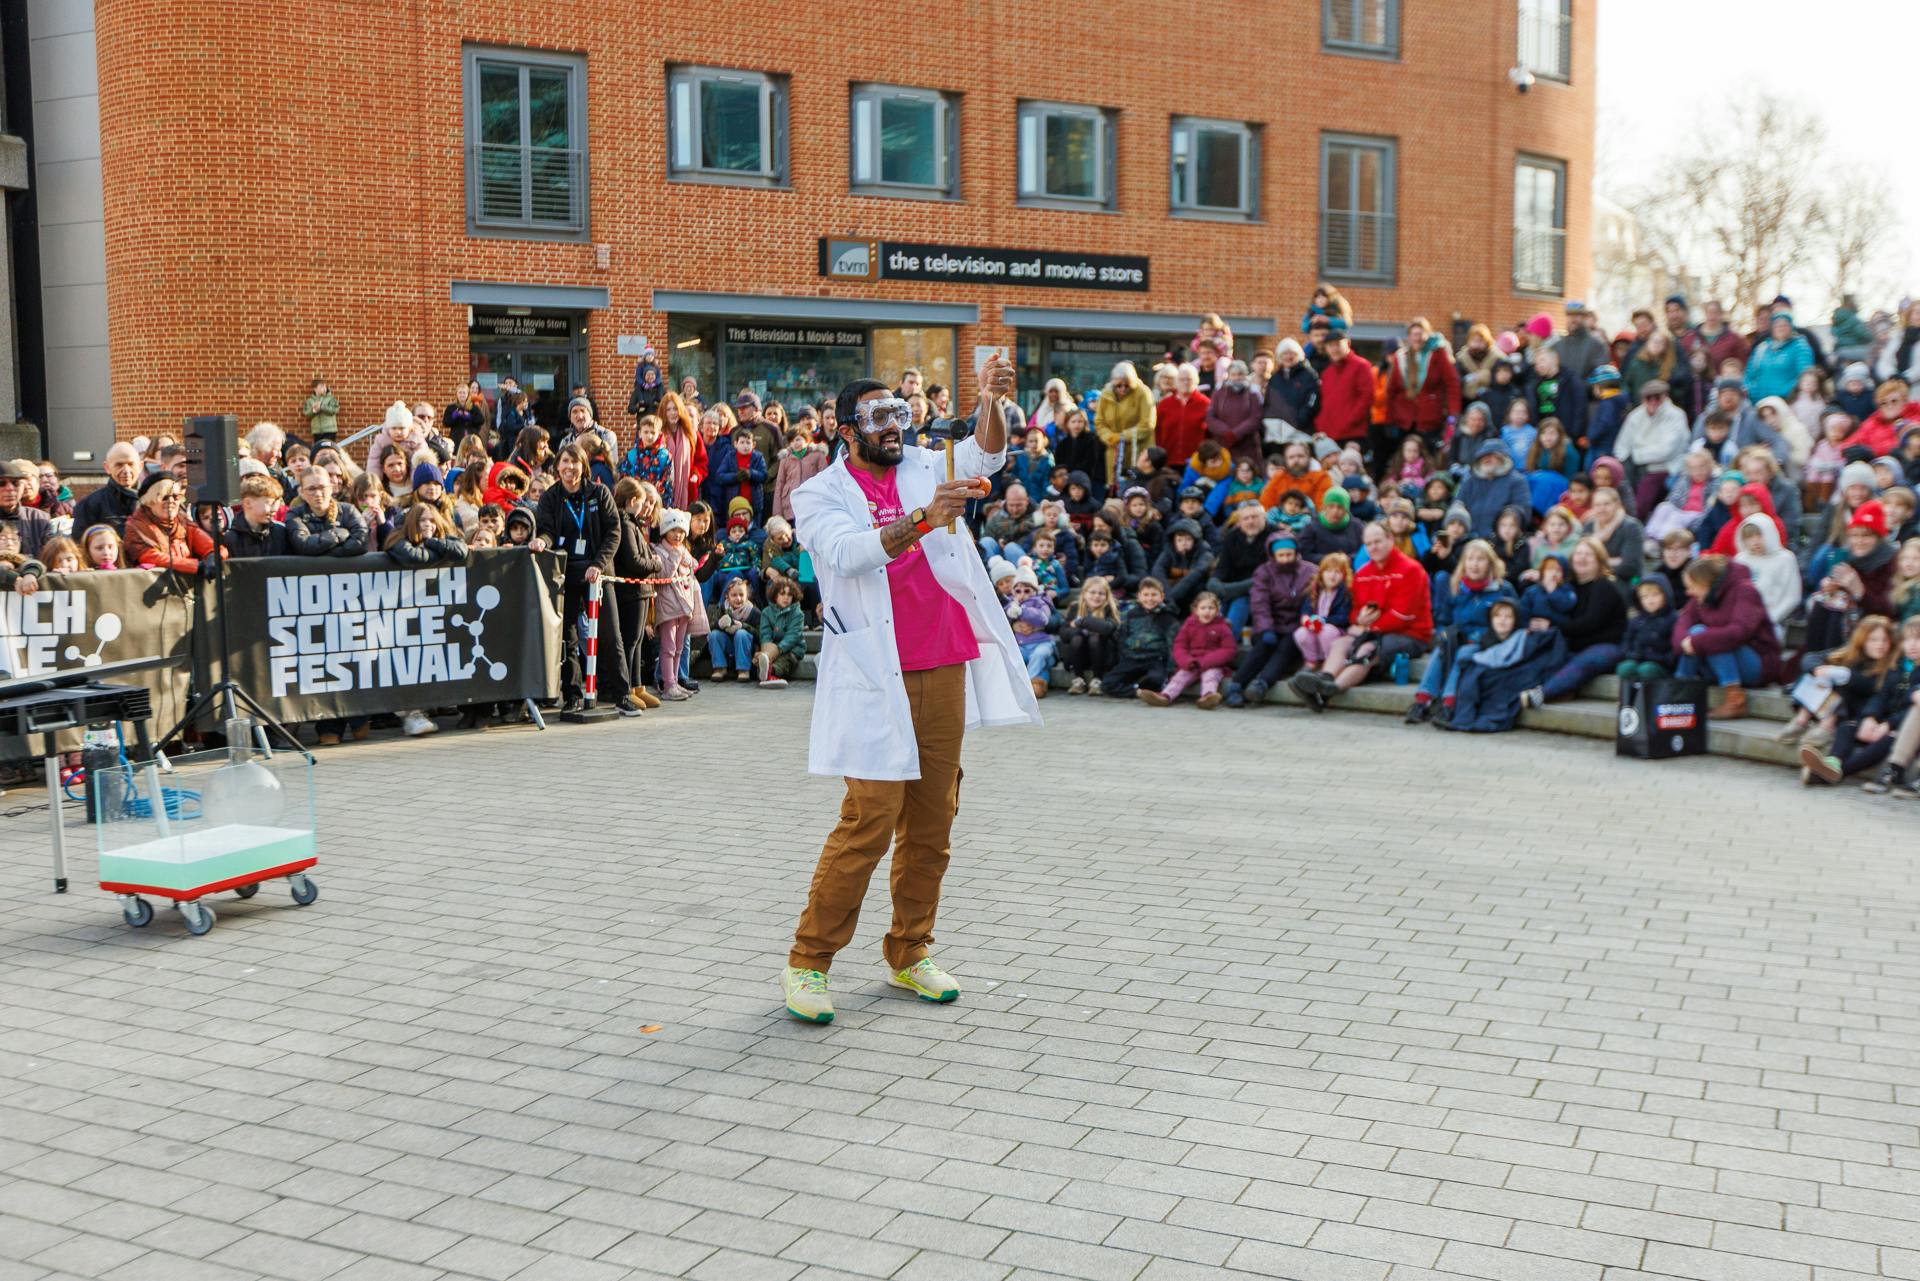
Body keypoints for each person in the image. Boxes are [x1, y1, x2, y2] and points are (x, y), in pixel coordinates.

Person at [780, 353, 1039, 1025]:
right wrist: (924, 520)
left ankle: (909, 951)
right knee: (869, 819)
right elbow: (845, 553)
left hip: (945, 660)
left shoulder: (926, 464)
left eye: (900, 412)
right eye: (878, 417)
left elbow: (984, 459)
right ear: (846, 429)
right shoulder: (818, 493)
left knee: (933, 821)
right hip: (876, 674)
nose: (894, 426)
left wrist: (988, 400)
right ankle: (809, 961)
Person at [1290, 522, 1431, 709]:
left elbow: (1403, 615)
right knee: (1341, 643)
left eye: (1378, 541)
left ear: (1390, 539)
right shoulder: (1363, 573)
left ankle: (1331, 689)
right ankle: (1325, 677)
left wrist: (1368, 626)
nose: (1373, 547)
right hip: (1371, 630)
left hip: (1410, 634)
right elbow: (1354, 610)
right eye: (1369, 544)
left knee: (1367, 648)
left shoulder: (1411, 570)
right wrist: (1359, 619)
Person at [533, 442, 625, 715]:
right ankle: (571, 693)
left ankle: (621, 693)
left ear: (583, 465)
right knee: (568, 636)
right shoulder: (551, 497)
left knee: (610, 634)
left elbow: (613, 532)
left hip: (597, 574)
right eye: (564, 462)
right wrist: (541, 540)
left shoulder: (599, 493)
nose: (569, 468)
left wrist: (598, 564)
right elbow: (547, 530)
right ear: (557, 467)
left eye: (574, 462)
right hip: (566, 573)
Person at [1802, 617, 1920, 793]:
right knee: (1847, 727)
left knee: (1889, 741)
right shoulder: (1897, 666)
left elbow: (1911, 710)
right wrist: (1869, 718)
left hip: (1899, 729)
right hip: (1880, 720)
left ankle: (1835, 772)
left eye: (1918, 639)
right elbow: (1880, 695)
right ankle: (1833, 761)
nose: (1912, 645)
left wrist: (1889, 725)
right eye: (1908, 639)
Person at [1405, 539, 1515, 725]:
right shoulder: (1456, 587)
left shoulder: (1502, 589)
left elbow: (1511, 620)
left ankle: (1449, 703)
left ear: (1490, 563)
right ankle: (1422, 700)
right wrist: (1443, 634)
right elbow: (1443, 620)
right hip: (1458, 636)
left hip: (1485, 641)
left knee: (1462, 653)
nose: (1475, 564)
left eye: (1480, 559)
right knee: (1443, 647)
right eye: (1470, 559)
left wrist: (1480, 638)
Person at [1667, 553, 1781, 720]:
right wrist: (1684, 643)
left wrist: (1697, 641)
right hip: (1722, 663)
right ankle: (1680, 693)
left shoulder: (1745, 590)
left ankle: (1735, 700)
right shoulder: (1701, 597)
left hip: (1757, 663)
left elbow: (1739, 632)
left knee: (1704, 635)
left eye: (1692, 586)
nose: (1688, 592)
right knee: (1697, 633)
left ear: (1706, 583)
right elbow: (1682, 624)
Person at [1530, 538, 1629, 703]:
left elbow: (1589, 623)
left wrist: (1553, 625)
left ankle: (1543, 693)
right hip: (1577, 644)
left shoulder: (1604, 586)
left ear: (1599, 560)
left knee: (1584, 661)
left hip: (1608, 645)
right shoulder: (1569, 587)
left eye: (1588, 555)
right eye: (1578, 554)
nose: (1582, 558)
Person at [1226, 533, 1314, 706]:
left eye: (1289, 554)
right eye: (1281, 555)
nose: (1286, 559)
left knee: (1285, 648)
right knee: (1263, 647)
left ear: (1296, 553)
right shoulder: (1264, 572)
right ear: (1273, 556)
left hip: (1295, 625)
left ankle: (1262, 683)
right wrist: (1266, 628)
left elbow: (1312, 601)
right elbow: (1260, 603)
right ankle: (1236, 686)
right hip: (1270, 623)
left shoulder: (1310, 571)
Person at [608, 477, 663, 715]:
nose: (644, 508)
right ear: (632, 501)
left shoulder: (632, 522)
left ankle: (638, 684)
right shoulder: (625, 524)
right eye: (642, 502)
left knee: (638, 640)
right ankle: (628, 686)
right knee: (630, 639)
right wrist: (656, 565)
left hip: (640, 590)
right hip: (631, 591)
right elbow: (633, 560)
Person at [1140, 591, 1234, 708]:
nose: (1207, 611)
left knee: (1211, 677)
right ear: (1195, 610)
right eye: (1203, 608)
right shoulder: (1189, 625)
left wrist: (1206, 662)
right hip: (1192, 663)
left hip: (1212, 664)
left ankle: (1208, 697)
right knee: (1179, 678)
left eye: (1211, 608)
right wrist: (1186, 661)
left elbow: (1228, 650)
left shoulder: (1222, 627)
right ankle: (1165, 696)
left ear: (1217, 610)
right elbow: (1180, 646)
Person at [1614, 379, 1691, 516]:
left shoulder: (1676, 415)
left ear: (1665, 396)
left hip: (1665, 467)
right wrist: (1626, 460)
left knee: (1640, 505)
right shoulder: (1635, 416)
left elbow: (1667, 450)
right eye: (1649, 398)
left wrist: (1637, 455)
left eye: (1657, 397)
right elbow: (1621, 446)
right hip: (1634, 467)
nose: (1653, 401)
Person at [123, 477, 220, 575]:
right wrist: (196, 566)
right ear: (149, 501)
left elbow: (213, 547)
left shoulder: (184, 522)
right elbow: (152, 558)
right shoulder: (135, 527)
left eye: (175, 497)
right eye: (164, 497)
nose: (171, 501)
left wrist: (213, 557)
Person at [1102, 575, 1179, 699]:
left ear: (1162, 597)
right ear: (1139, 596)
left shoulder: (1168, 617)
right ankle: (1138, 691)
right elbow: (1122, 638)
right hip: (1132, 658)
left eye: (1154, 595)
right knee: (1107, 684)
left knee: (1156, 679)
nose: (1150, 599)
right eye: (1146, 595)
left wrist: (1170, 669)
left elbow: (1172, 645)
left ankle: (1146, 687)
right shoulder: (1131, 614)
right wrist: (1123, 658)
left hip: (1155, 659)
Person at [1095, 362, 1156, 486]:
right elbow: (1099, 421)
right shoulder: (1105, 395)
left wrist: (1123, 436)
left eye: (1127, 385)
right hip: (1114, 451)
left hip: (1138, 450)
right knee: (1115, 489)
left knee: (1137, 489)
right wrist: (1109, 436)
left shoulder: (1143, 393)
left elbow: (1148, 423)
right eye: (1119, 385)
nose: (1122, 389)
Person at [1457, 440, 1531, 539]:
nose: (1487, 458)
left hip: (1501, 540)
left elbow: (1523, 509)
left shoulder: (1517, 480)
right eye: (1483, 455)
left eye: (1492, 455)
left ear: (1503, 458)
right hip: (1470, 538)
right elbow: (1458, 505)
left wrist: (1508, 519)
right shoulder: (1470, 480)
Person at [1060, 574, 1121, 695]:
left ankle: (1097, 679)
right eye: (1092, 592)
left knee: (1095, 638)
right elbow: (1064, 633)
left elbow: (1107, 628)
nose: (1096, 596)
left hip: (1103, 656)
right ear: (1084, 593)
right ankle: (1078, 679)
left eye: (1101, 593)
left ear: (1107, 596)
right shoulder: (1075, 608)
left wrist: (1082, 622)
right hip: (1080, 656)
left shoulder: (1109, 609)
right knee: (1076, 638)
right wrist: (1081, 631)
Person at [1315, 327, 1376, 446]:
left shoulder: (1361, 366)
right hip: (1329, 435)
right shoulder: (1327, 373)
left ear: (1348, 343)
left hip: (1353, 434)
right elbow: (1325, 402)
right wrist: (1320, 425)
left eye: (1338, 344)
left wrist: (1350, 421)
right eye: (1330, 345)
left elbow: (1366, 398)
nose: (1334, 349)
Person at [1616, 576, 1679, 681]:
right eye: (1644, 597)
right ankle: (1631, 695)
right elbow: (1626, 642)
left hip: (1661, 665)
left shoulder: (1673, 619)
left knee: (1647, 669)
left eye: (1655, 595)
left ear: (1666, 595)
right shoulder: (1636, 621)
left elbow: (1673, 651)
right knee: (1625, 668)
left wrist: (1656, 657)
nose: (1650, 600)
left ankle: (1652, 696)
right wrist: (1631, 654)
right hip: (1638, 661)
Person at [1745, 312, 1815, 404]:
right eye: (1777, 325)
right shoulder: (1762, 347)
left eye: (1785, 324)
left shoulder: (1800, 346)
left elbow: (1805, 375)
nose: (1780, 327)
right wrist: (1751, 390)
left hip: (1786, 402)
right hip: (1759, 402)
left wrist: (1785, 393)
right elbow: (1749, 373)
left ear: (1791, 327)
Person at [1583, 485, 1644, 582]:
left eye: (1606, 504)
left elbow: (1629, 565)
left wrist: (1596, 565)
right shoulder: (1588, 526)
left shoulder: (1631, 527)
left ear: (1617, 504)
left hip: (1625, 581)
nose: (1602, 509)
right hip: (1594, 580)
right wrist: (1614, 561)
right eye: (1597, 505)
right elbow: (1582, 560)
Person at [222, 474, 290, 557]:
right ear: (248, 503)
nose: (274, 509)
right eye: (269, 503)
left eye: (275, 503)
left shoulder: (280, 532)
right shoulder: (231, 539)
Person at [755, 577, 806, 688]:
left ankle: (771, 671)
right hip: (771, 648)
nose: (786, 598)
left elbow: (793, 636)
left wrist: (777, 650)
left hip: (792, 649)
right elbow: (765, 634)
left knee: (786, 660)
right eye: (782, 594)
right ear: (775, 595)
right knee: (761, 655)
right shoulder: (766, 612)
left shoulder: (798, 613)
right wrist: (767, 651)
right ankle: (765, 669)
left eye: (789, 595)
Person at [707, 577, 761, 681]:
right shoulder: (722, 608)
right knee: (714, 634)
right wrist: (719, 624)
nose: (738, 598)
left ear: (747, 596)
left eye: (741, 595)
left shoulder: (753, 612)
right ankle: (720, 668)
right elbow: (709, 628)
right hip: (729, 646)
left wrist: (743, 626)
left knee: (741, 633)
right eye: (734, 595)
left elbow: (760, 635)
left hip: (746, 648)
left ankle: (743, 669)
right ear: (727, 597)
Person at [0, 460, 51, 556]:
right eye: (1, 483)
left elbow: (54, 556)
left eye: (16, 483)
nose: (10, 488)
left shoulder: (40, 518)